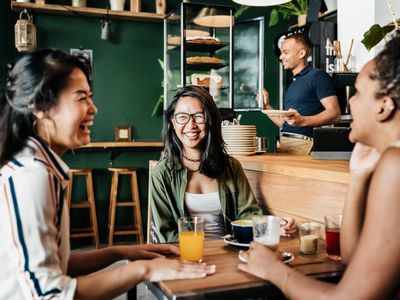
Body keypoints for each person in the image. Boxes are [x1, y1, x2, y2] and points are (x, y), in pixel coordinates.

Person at [0, 49, 215, 300]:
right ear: (40, 107)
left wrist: (121, 252)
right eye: (81, 98)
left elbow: (59, 263)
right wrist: (144, 269)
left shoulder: (40, 168)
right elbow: (50, 295)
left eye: (90, 97)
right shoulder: (31, 176)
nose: (93, 108)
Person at [238, 31, 400, 299]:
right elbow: (352, 259)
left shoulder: (395, 165)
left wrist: (276, 271)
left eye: (358, 92)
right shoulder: (386, 161)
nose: (351, 102)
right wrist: (358, 174)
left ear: (384, 107)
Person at [150, 85, 296, 243]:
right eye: (182, 117)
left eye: (199, 116)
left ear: (210, 119)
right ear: (172, 121)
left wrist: (274, 226)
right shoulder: (162, 174)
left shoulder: (231, 166)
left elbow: (248, 215)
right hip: (187, 257)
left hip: (229, 252)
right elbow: (167, 234)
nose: (191, 125)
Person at [262, 32, 341, 155]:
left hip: (304, 145)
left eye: (285, 52)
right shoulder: (294, 82)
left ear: (302, 53)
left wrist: (302, 120)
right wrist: (266, 107)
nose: (281, 57)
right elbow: (285, 124)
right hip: (285, 143)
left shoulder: (318, 76)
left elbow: (335, 114)